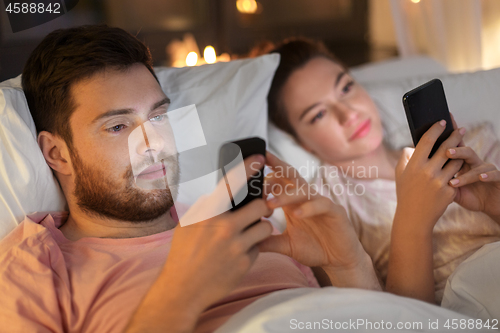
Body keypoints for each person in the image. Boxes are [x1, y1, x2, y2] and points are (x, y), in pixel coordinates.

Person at [0, 25, 382, 333]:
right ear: (56, 153)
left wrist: (349, 266)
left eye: (158, 117)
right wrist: (179, 295)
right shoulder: (33, 269)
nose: (153, 144)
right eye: (118, 126)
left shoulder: (242, 228)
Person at [267, 38, 500, 304]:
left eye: (345, 88)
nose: (348, 114)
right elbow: (384, 321)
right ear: (303, 143)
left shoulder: (475, 142)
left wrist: (493, 203)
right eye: (318, 114)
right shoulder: (324, 209)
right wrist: (412, 223)